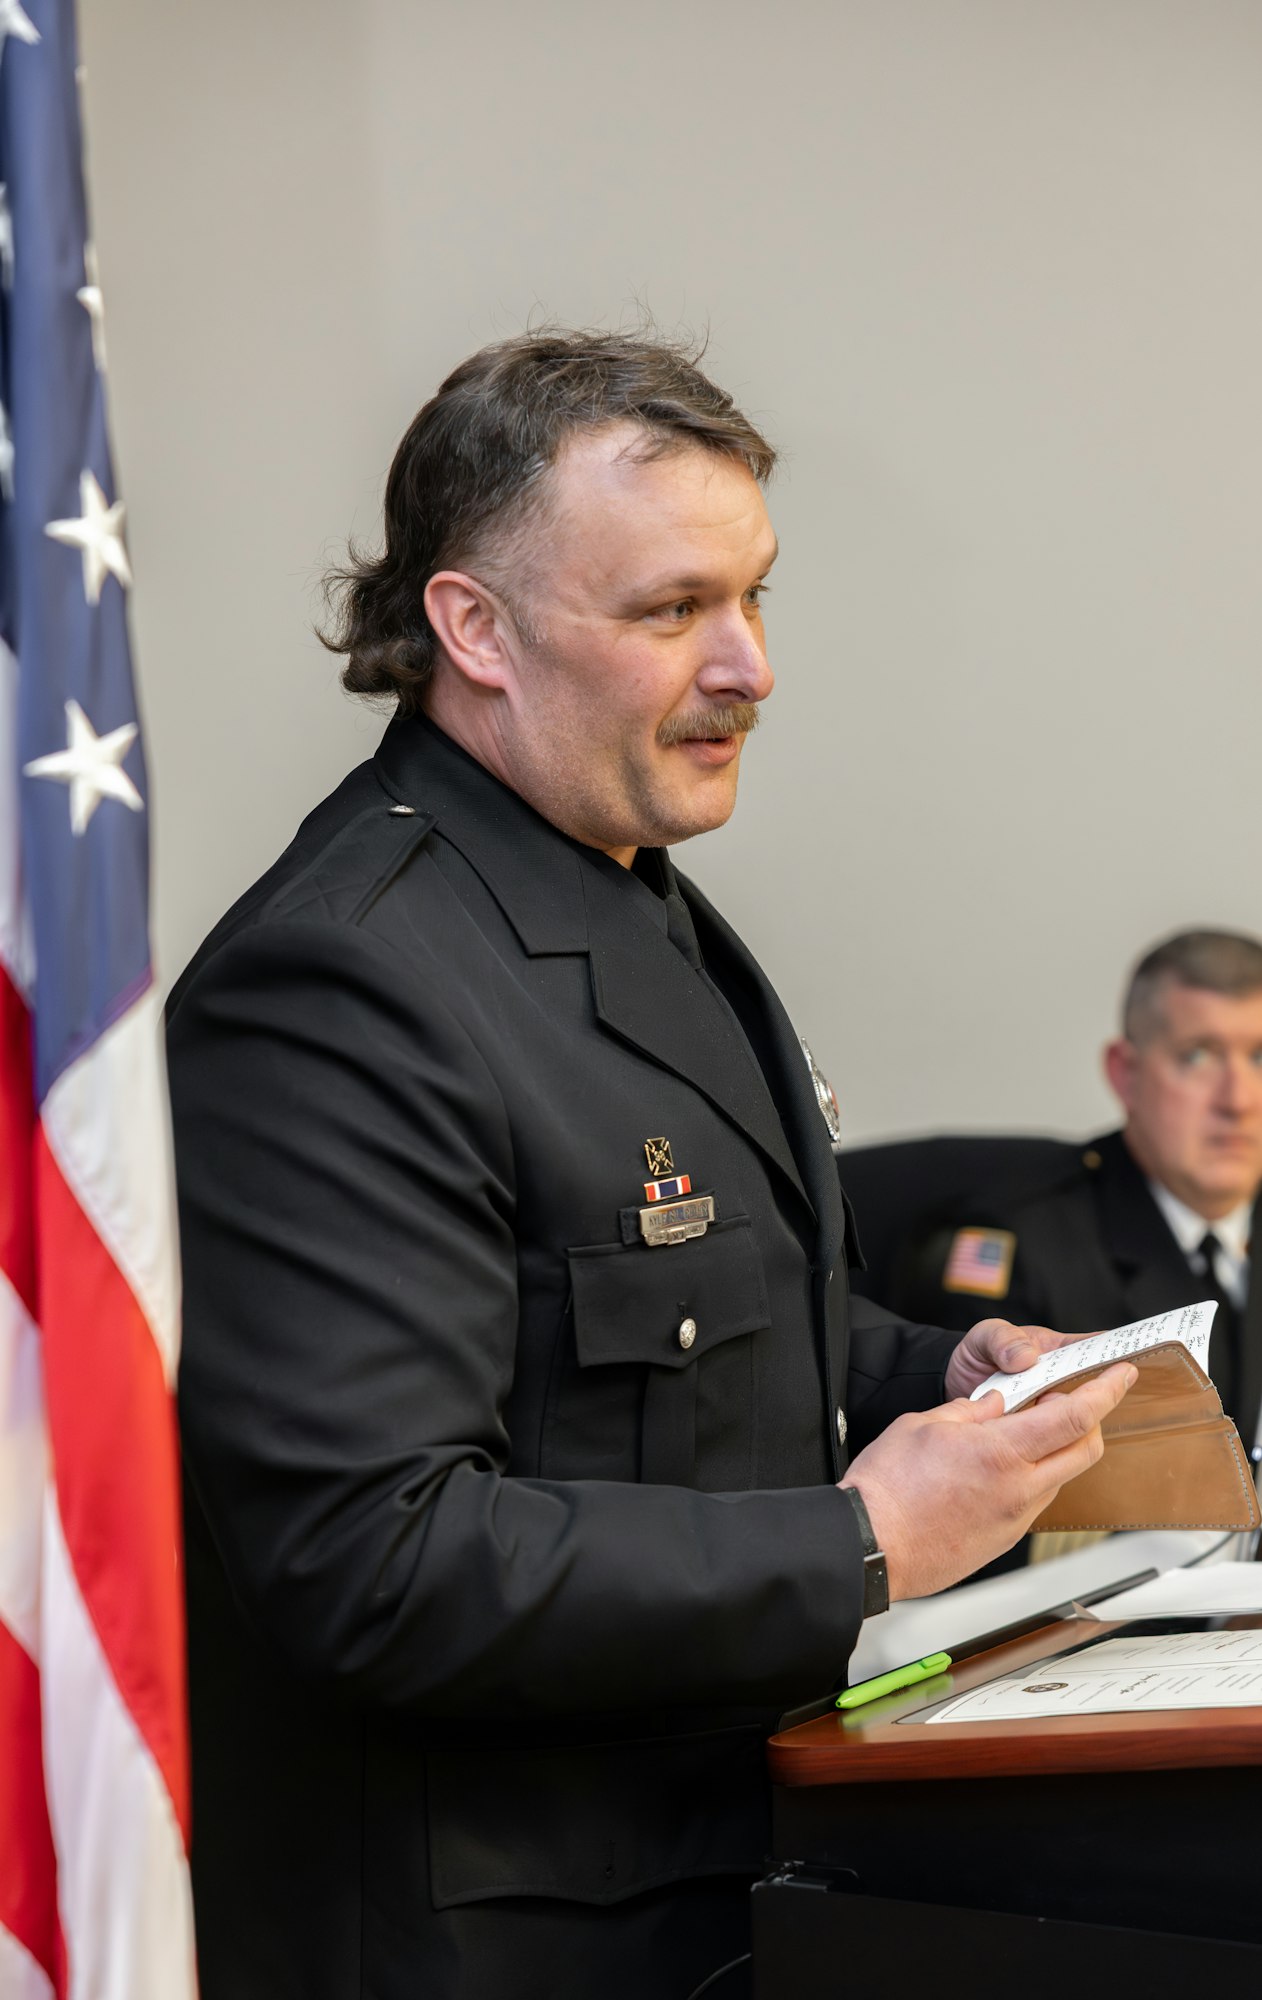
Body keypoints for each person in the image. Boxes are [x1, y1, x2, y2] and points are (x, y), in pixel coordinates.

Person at [166, 329, 1133, 2000]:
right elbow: (372, 1558)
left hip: (700, 1871)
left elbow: (700, 1342)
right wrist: (862, 1542)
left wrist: (940, 1375)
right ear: (474, 630)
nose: (751, 664)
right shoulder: (342, 982)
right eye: (672, 610)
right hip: (503, 1939)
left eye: (753, 596)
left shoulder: (611, 880)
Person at [895, 930, 1262, 1450]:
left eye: (1260, 1059)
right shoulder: (1020, 1243)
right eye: (1198, 1057)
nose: (1239, 1100)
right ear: (1126, 1075)